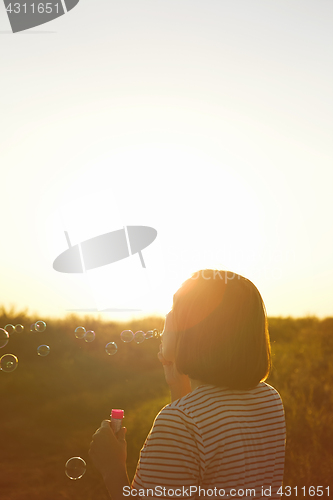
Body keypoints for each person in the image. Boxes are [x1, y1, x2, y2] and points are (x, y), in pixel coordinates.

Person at [89, 270, 286, 499]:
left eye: (175, 308)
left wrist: (112, 469)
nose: (166, 315)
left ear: (194, 330)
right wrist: (177, 386)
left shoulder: (179, 422)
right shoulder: (269, 399)